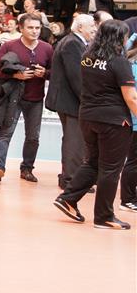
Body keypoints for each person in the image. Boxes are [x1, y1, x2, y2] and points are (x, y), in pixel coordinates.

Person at [52, 20, 137, 229]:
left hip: (88, 116)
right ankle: (104, 217)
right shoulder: (119, 61)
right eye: (125, 35)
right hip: (113, 121)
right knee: (110, 169)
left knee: (92, 162)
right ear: (119, 37)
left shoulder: (87, 57)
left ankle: (67, 198)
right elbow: (131, 97)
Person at [0, 13, 53, 183]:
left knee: (33, 137)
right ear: (21, 28)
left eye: (37, 28)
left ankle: (27, 169)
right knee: (6, 132)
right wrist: (15, 75)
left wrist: (44, 73)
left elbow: (54, 72)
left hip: (35, 98)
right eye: (30, 27)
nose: (35, 31)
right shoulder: (9, 46)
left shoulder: (47, 48)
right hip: (12, 97)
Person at [45, 14, 95, 189]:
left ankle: (69, 178)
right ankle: (71, 181)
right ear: (80, 27)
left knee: (73, 140)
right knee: (75, 141)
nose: (94, 29)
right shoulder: (73, 43)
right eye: (91, 26)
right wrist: (87, 101)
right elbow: (77, 77)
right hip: (70, 101)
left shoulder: (73, 42)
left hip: (69, 100)